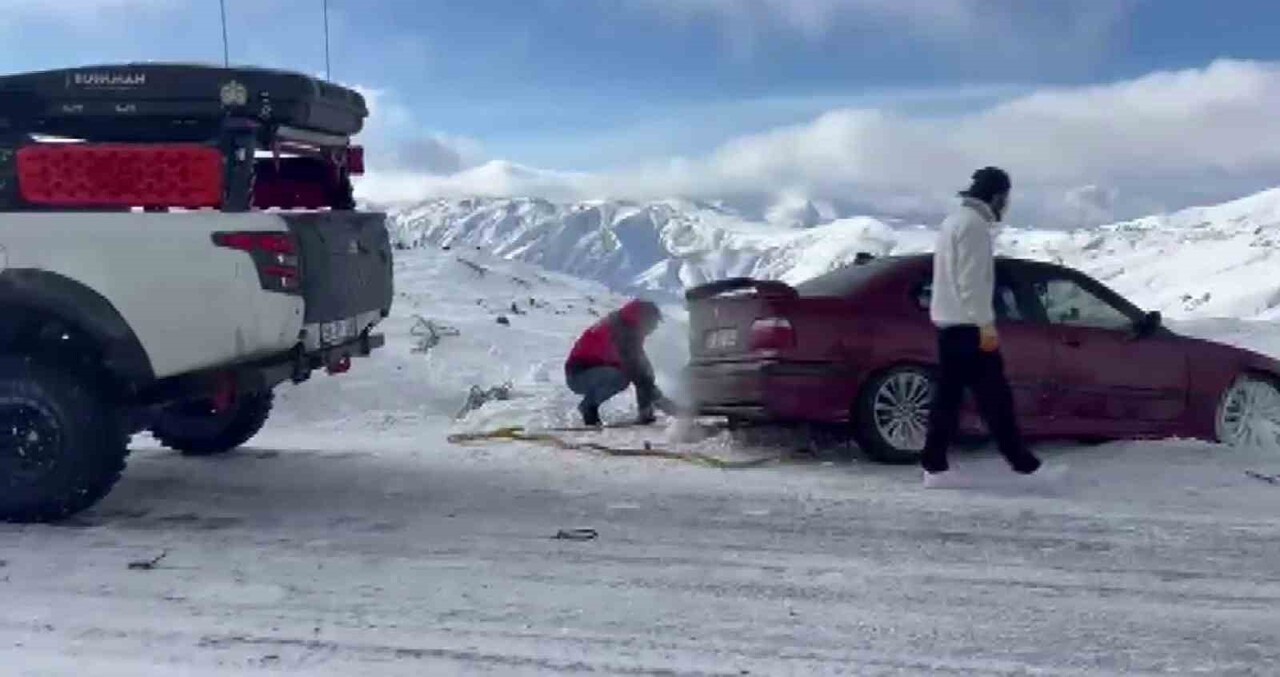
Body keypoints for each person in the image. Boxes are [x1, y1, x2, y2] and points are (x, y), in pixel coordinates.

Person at [922, 166, 1046, 488]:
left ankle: (934, 465)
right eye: (1005, 198)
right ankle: (1023, 467)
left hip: (949, 326)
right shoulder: (975, 226)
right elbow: (971, 283)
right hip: (969, 327)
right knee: (995, 398)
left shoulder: (952, 222)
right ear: (996, 196)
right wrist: (985, 326)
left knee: (948, 399)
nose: (1005, 205)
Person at [565, 298, 674, 426]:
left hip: (593, 372)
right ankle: (588, 407)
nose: (654, 327)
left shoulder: (626, 326)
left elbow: (644, 373)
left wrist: (651, 407)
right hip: (579, 375)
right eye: (653, 322)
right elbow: (637, 374)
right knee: (621, 377)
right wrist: (662, 405)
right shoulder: (623, 332)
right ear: (643, 318)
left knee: (633, 374)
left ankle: (645, 412)